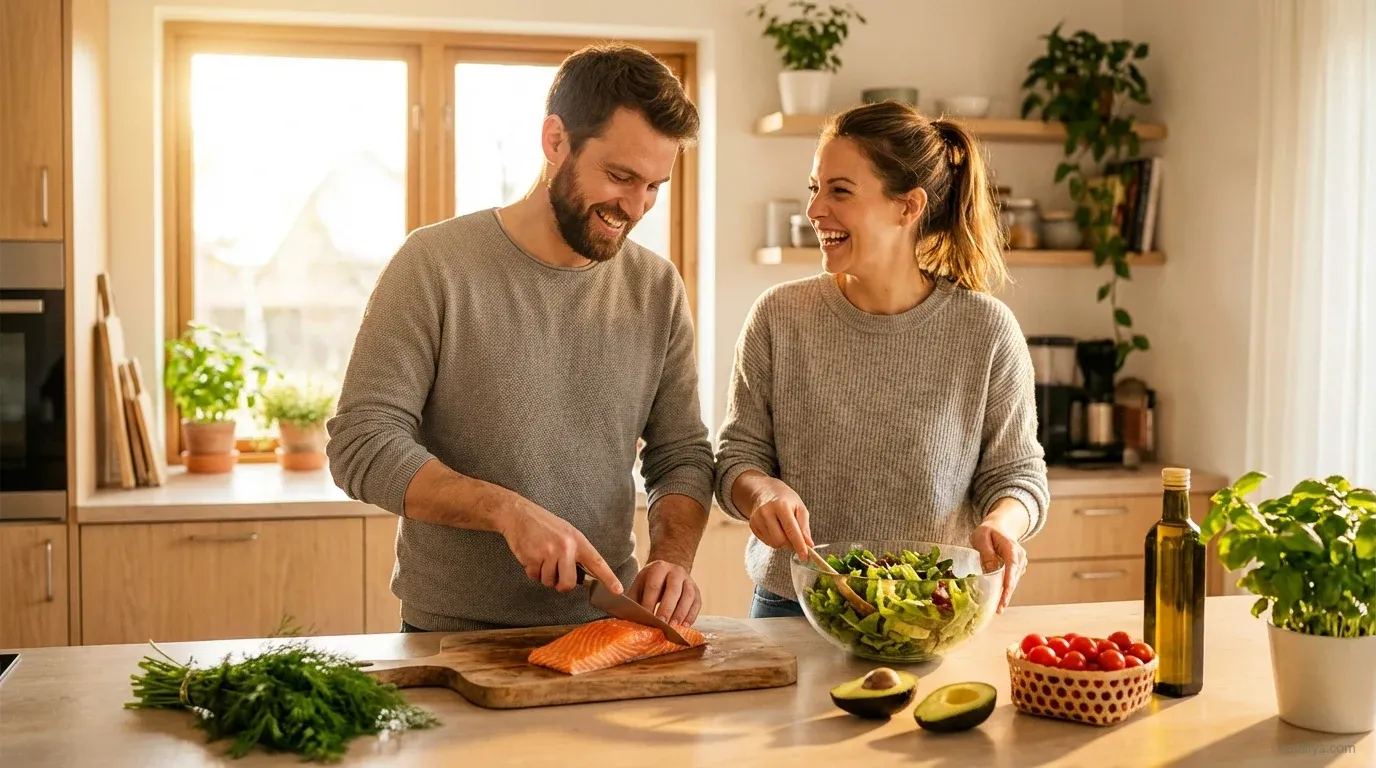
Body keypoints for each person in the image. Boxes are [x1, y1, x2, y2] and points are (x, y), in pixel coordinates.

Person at [326, 43, 715, 633]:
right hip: (450, 634)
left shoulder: (656, 287)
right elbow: (361, 443)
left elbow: (681, 453)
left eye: (655, 186)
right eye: (620, 177)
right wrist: (505, 512)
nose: (635, 207)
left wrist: (672, 558)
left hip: (604, 625)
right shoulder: (435, 264)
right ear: (555, 140)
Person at [714, 100, 1050, 619]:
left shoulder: (984, 330)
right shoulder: (779, 317)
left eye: (840, 190)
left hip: (932, 608)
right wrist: (760, 491)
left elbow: (1018, 475)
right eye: (815, 188)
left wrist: (1002, 524)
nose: (815, 209)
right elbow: (738, 455)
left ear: (907, 207)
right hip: (795, 607)